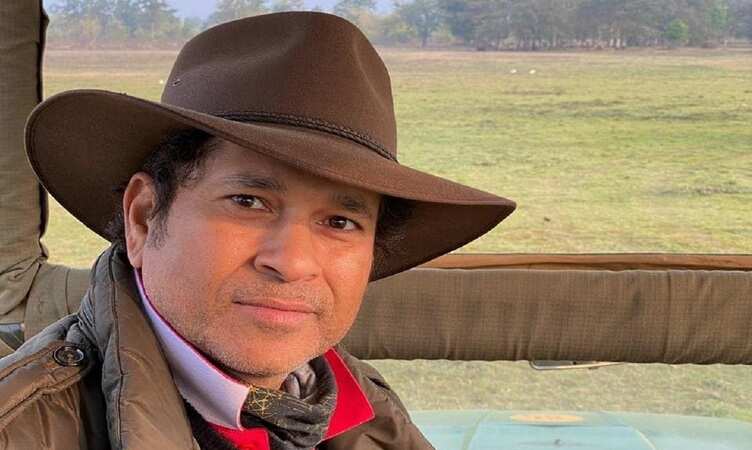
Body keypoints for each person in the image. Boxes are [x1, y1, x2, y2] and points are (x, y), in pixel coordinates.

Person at [0, 11, 515, 450]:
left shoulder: (362, 409)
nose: (291, 262)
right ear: (143, 217)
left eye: (340, 222)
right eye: (248, 203)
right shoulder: (22, 430)